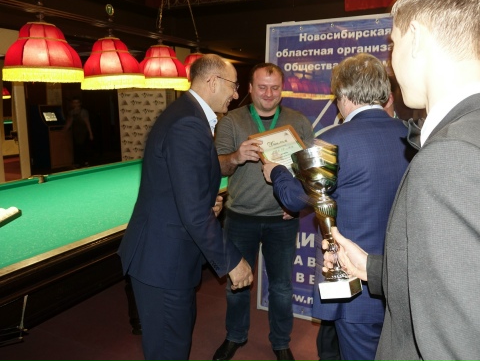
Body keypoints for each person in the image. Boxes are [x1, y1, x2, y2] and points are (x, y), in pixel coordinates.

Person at [322, 0, 480, 361]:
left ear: (417, 38)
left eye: (393, 43)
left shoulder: (456, 159)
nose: (391, 62)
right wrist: (371, 268)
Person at [262, 53, 412, 361]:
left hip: (355, 287)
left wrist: (276, 172)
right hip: (403, 280)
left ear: (342, 94)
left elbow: (294, 198)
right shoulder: (412, 136)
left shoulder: (331, 142)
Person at [118, 54, 253, 361]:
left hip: (167, 257)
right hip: (163, 261)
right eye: (233, 86)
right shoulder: (188, 123)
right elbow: (192, 212)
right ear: (213, 81)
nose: (235, 95)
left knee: (174, 345)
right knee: (170, 351)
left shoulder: (188, 114)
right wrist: (232, 262)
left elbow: (182, 189)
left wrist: (205, 201)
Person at [213, 63, 314, 361]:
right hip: (239, 217)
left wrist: (296, 204)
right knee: (236, 284)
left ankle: (281, 342)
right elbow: (217, 165)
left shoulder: (298, 122)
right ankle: (235, 336)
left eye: (275, 87)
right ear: (250, 88)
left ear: (282, 89)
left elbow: (310, 173)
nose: (268, 94)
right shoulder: (232, 121)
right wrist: (236, 156)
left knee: (281, 288)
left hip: (282, 220)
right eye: (262, 87)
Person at [64, 97, 93, 167]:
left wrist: (90, 133)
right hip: (75, 132)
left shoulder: (84, 112)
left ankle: (85, 162)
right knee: (77, 148)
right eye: (74, 102)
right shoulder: (71, 112)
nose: (76, 104)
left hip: (83, 132)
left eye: (77, 102)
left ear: (80, 103)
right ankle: (78, 162)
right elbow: (69, 123)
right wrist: (63, 130)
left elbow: (87, 122)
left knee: (83, 147)